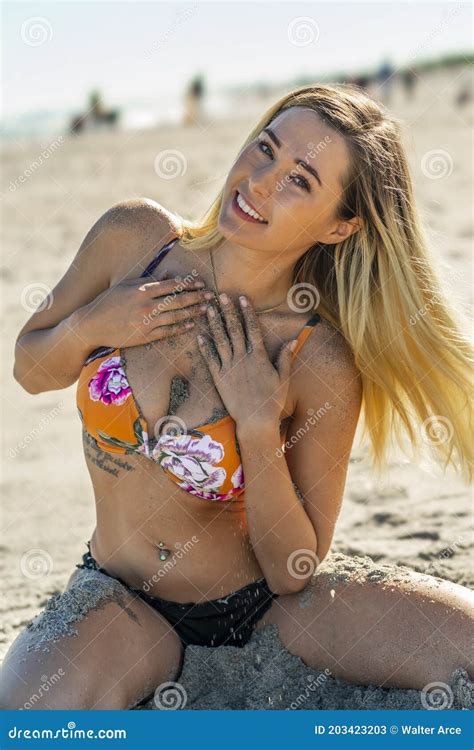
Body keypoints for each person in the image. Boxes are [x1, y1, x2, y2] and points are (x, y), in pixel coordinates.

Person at [2, 83, 473, 709]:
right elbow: (30, 369)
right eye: (265, 149)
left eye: (299, 180)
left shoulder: (317, 359)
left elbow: (292, 570)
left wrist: (256, 423)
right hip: (123, 603)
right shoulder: (135, 242)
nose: (258, 183)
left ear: (341, 226)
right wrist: (91, 327)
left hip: (269, 613)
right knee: (29, 717)